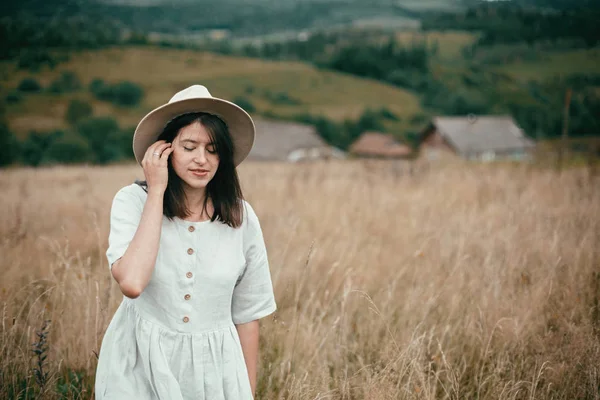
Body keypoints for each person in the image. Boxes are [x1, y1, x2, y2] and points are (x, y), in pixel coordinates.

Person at [95, 85, 277, 399]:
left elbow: (247, 316)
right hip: (139, 366)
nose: (201, 159)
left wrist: (247, 392)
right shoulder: (132, 202)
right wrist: (156, 190)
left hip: (214, 371)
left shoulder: (241, 217)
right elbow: (132, 283)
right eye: (189, 146)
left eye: (213, 149)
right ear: (165, 149)